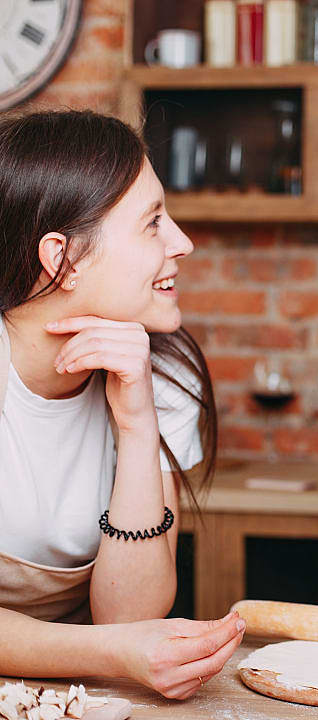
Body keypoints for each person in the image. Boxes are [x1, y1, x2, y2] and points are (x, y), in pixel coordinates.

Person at [0, 111, 244, 699]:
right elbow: (121, 642)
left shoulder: (164, 371)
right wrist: (110, 653)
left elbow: (129, 615)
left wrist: (137, 425)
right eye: (153, 223)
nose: (182, 243)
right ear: (62, 259)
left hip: (68, 695)